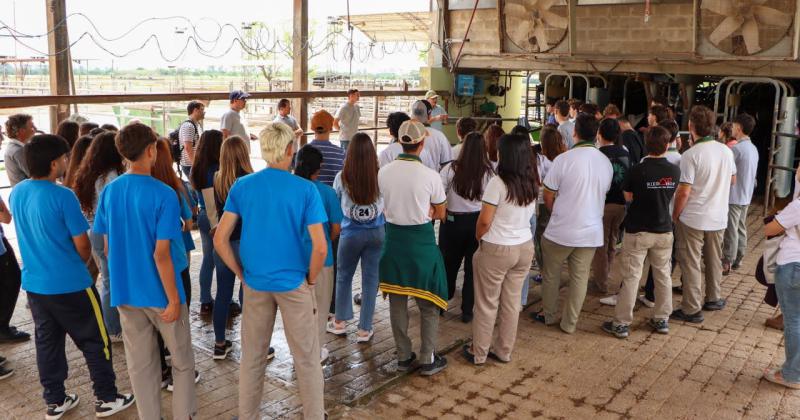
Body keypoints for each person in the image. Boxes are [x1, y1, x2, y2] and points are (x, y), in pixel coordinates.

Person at [11, 134, 135, 419]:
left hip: (35, 285)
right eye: (65, 159)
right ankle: (106, 397)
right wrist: (74, 265)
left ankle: (55, 401)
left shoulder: (18, 192)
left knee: (48, 343)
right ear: (54, 163)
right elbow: (83, 244)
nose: (67, 162)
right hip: (71, 284)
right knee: (95, 340)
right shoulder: (62, 195)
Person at [214, 122, 327, 419]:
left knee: (252, 358)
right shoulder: (306, 189)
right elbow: (320, 247)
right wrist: (312, 278)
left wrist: (240, 273)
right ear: (291, 150)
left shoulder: (243, 186)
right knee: (306, 359)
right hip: (294, 283)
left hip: (256, 283)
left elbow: (219, 238)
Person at [94, 123, 197, 420]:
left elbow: (109, 248)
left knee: (141, 366)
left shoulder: (110, 191)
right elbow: (161, 254)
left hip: (126, 292)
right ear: (152, 150)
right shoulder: (163, 194)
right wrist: (174, 299)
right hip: (161, 293)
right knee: (181, 361)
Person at [378, 120, 449, 376]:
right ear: (422, 143)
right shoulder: (430, 175)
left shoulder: (384, 172)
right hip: (421, 243)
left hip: (394, 242)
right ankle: (428, 357)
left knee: (397, 303)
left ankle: (403, 356)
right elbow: (441, 213)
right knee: (427, 305)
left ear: (400, 142)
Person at [534, 114, 612, 333]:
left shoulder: (564, 160)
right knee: (580, 278)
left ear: (574, 132)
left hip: (561, 230)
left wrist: (556, 211)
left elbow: (548, 195)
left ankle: (548, 315)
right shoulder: (605, 162)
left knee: (551, 274)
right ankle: (570, 323)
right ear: (596, 134)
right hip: (591, 232)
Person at [463, 134, 537, 365]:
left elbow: (485, 221)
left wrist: (480, 239)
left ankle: (479, 352)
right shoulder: (532, 181)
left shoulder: (498, 183)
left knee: (486, 303)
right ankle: (504, 351)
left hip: (497, 248)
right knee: (512, 303)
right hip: (524, 247)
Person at [602, 126, 680, 338]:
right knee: (663, 275)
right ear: (667, 145)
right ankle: (662, 319)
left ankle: (621, 323)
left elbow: (627, 196)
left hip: (638, 230)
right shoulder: (674, 170)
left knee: (632, 276)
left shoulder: (637, 170)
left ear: (646, 144)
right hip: (664, 230)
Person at [671, 105, 736, 323]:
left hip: (694, 217)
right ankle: (713, 297)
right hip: (718, 216)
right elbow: (733, 180)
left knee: (690, 262)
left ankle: (691, 308)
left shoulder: (690, 155)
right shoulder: (726, 151)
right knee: (713, 259)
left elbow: (684, 191)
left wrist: (675, 214)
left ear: (690, 126)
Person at [329, 133, 385, 342]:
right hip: (377, 233)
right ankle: (364, 329)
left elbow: (336, 206)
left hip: (350, 233)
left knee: (344, 276)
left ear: (349, 153)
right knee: (371, 279)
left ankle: (340, 322)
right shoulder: (380, 176)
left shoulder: (341, 177)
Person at [72, 131, 126, 342]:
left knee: (107, 279)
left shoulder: (89, 173)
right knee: (111, 281)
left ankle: (110, 324)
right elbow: (113, 213)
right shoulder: (111, 177)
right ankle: (112, 328)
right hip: (106, 233)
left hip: (92, 228)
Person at [210, 135, 258, 360]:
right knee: (247, 294)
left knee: (222, 294)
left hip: (222, 243)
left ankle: (219, 344)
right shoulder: (251, 180)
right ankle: (252, 345)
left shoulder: (217, 178)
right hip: (246, 243)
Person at [439, 132, 495, 323]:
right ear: (484, 149)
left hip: (452, 223)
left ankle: (441, 302)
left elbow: (438, 194)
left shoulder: (450, 169)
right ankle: (467, 311)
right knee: (473, 270)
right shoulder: (489, 173)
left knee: (448, 265)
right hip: (477, 224)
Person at [295, 145, 343, 363]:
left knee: (296, 310)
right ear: (319, 167)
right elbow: (335, 228)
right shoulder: (326, 192)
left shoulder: (289, 190)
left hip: (293, 259)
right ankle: (315, 352)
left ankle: (299, 350)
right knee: (321, 307)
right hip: (322, 258)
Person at [763, 193, 800, 389]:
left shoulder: (797, 207)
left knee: (793, 320)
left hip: (794, 266)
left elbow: (769, 229)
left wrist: (781, 218)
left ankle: (792, 374)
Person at [591, 118, 631, 295]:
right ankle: (605, 274)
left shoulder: (597, 154)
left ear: (600, 134)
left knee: (601, 245)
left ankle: (601, 282)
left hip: (603, 205)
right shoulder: (626, 153)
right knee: (613, 241)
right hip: (622, 205)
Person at [190, 130, 224, 316]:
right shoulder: (213, 169)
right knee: (217, 260)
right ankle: (218, 299)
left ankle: (205, 299)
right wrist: (216, 227)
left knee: (207, 260)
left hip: (204, 216)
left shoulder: (198, 167)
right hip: (214, 218)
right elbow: (212, 202)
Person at [723, 113, 758, 275]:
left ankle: (727, 260)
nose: (732, 129)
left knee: (731, 229)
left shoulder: (736, 149)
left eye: (734, 126)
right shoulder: (753, 148)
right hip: (746, 194)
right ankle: (740, 258)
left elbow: (726, 171)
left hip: (734, 195)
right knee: (741, 227)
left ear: (739, 128)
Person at [532, 127, 566, 283]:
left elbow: (538, 182)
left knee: (540, 238)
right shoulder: (564, 158)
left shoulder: (541, 160)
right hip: (560, 202)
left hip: (543, 202)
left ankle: (545, 272)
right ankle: (554, 269)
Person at [410, 100, 454, 171]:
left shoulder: (405, 135)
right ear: (430, 115)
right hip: (433, 179)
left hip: (410, 179)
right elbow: (447, 164)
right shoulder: (439, 136)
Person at [307, 110, 346, 186]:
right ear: (331, 128)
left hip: (308, 197)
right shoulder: (340, 153)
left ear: (312, 128)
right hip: (332, 196)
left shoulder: (303, 152)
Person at [4, 113, 36, 187]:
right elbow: (36, 176)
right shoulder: (18, 151)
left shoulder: (12, 146)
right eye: (32, 127)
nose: (35, 130)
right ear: (22, 131)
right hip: (27, 194)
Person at [178, 100, 205, 181]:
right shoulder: (189, 126)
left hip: (193, 164)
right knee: (196, 189)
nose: (203, 112)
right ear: (195, 110)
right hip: (190, 165)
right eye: (202, 110)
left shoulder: (197, 125)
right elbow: (188, 148)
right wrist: (195, 165)